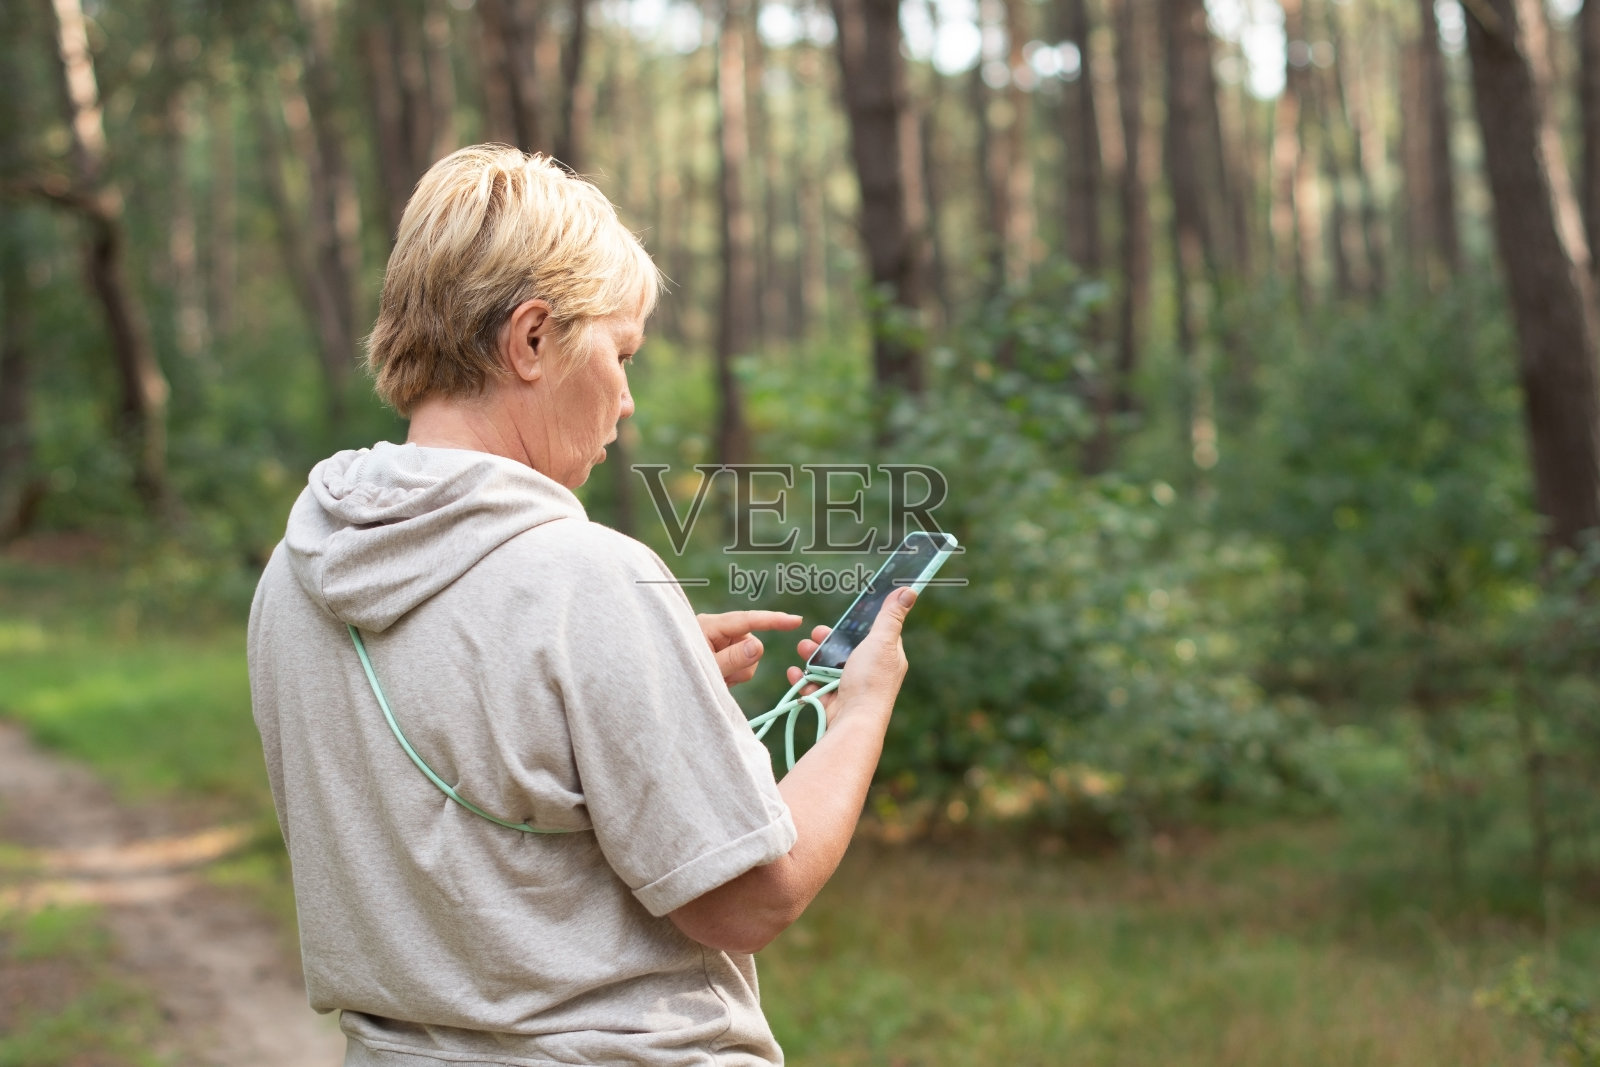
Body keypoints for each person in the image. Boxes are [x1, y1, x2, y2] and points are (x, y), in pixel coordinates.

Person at [247, 144, 917, 1066]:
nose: (628, 399)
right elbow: (750, 899)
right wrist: (862, 710)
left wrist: (633, 674)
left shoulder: (294, 573)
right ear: (531, 339)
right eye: (622, 352)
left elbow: (463, 750)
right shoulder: (587, 578)